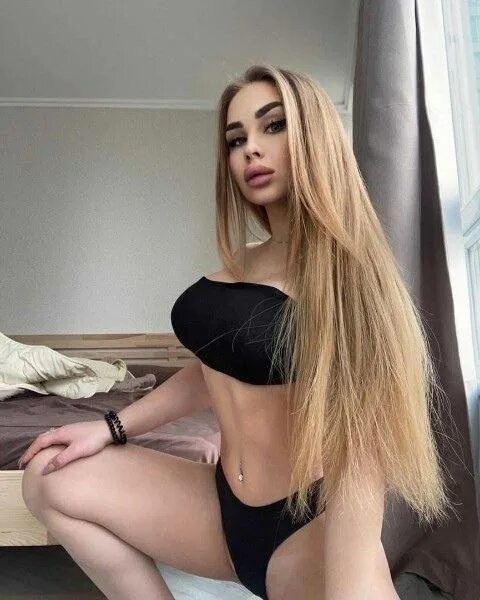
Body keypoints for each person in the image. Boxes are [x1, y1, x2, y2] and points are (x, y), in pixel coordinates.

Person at [19, 64, 455, 600]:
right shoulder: (245, 261)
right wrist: (111, 427)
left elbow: (362, 461)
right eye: (236, 138)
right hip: (221, 511)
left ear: (315, 138)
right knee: (49, 476)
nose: (251, 149)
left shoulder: (354, 282)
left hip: (308, 531)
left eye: (273, 126)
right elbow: (218, 368)